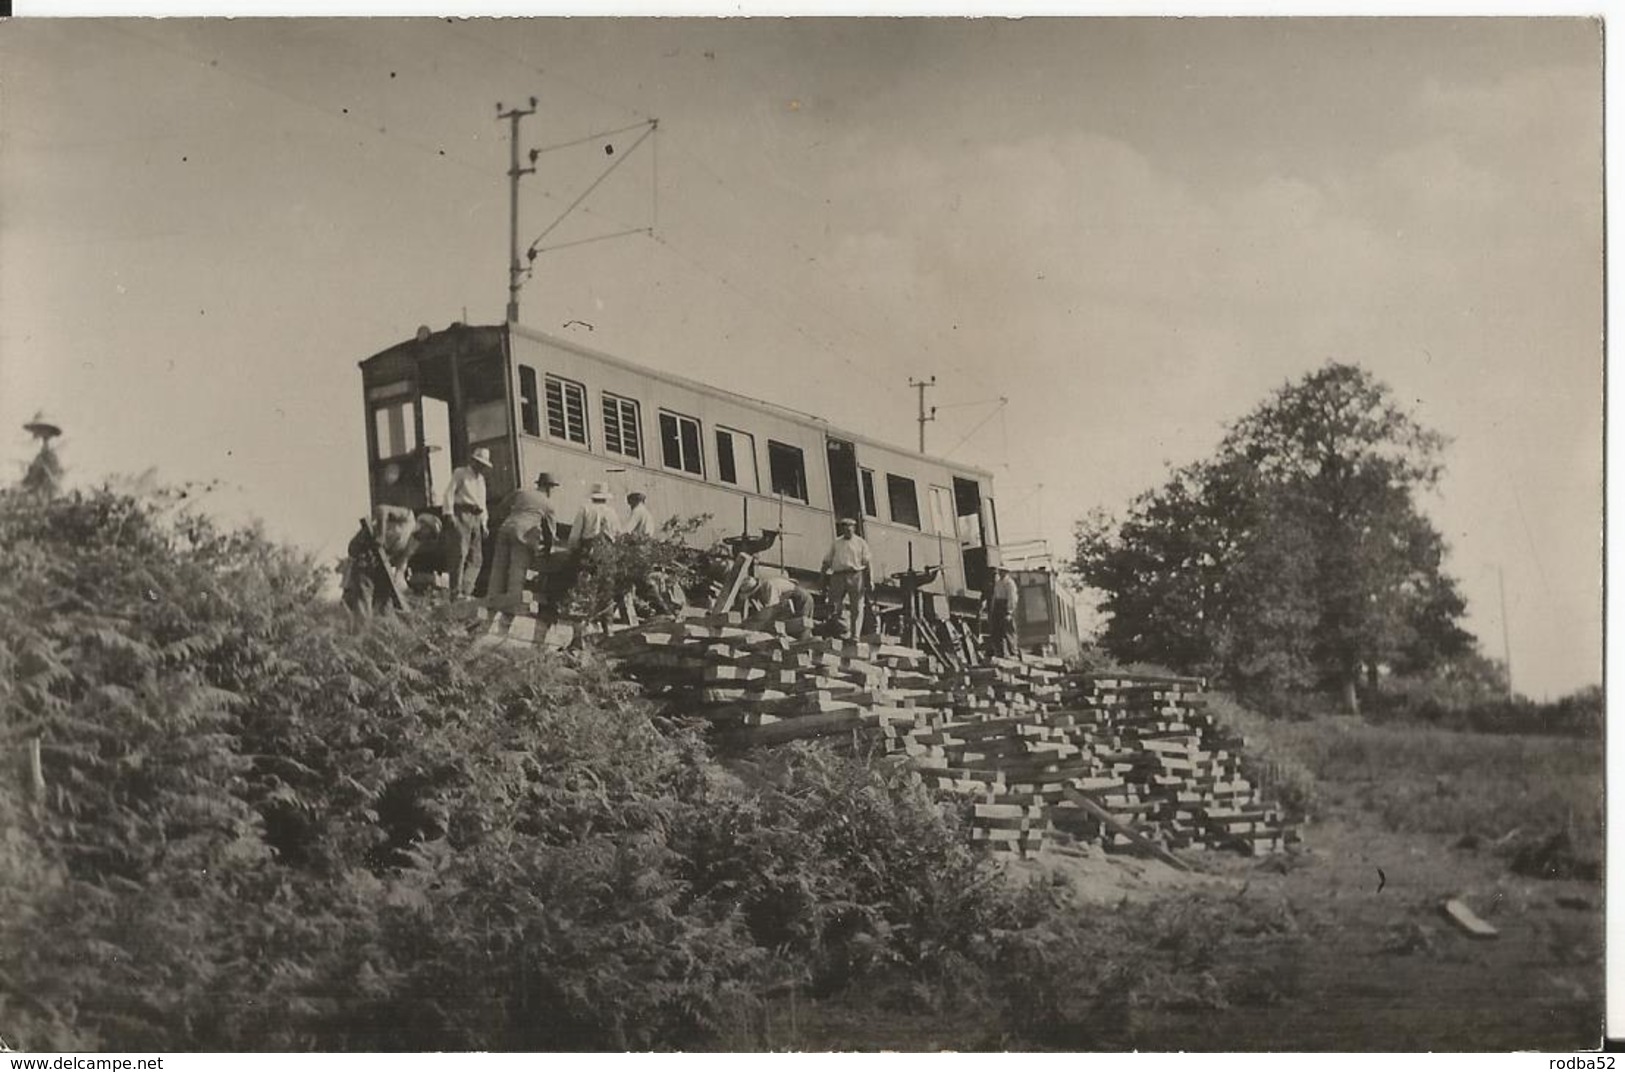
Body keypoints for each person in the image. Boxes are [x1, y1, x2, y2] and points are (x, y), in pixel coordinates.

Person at [343, 506, 440, 618]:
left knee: (386, 599)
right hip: (364, 548)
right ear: (424, 525)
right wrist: (381, 535)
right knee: (365, 592)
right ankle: (361, 631)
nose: (427, 539)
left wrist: (400, 585)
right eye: (429, 533)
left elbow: (401, 566)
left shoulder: (413, 544)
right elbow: (382, 509)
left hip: (378, 561)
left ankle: (383, 628)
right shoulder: (408, 517)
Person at [486, 471, 560, 612]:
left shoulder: (521, 492)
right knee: (517, 568)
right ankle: (512, 603)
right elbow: (550, 532)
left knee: (499, 566)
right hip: (523, 533)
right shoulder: (548, 504)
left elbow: (502, 507)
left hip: (506, 528)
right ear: (549, 488)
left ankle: (491, 598)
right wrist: (548, 549)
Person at [441, 446, 494, 601]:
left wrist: (484, 523)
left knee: (476, 558)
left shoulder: (481, 480)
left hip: (476, 518)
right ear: (473, 461)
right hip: (462, 514)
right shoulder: (461, 473)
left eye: (483, 464)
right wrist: (449, 514)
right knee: (459, 553)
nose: (481, 467)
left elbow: (482, 503)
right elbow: (449, 493)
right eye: (479, 463)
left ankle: (466, 590)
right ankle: (455, 592)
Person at [820, 518, 871, 639]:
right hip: (838, 575)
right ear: (842, 529)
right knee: (834, 604)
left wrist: (870, 580)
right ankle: (840, 632)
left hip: (856, 575)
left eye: (850, 527)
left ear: (854, 528)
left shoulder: (861, 543)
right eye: (845, 527)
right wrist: (822, 577)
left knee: (857, 606)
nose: (848, 529)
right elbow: (826, 561)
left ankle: (855, 635)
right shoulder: (836, 543)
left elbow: (868, 562)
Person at [739, 573, 815, 638]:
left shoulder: (768, 587)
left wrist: (756, 623)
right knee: (801, 625)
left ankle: (804, 648)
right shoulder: (764, 590)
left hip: (800, 598)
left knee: (802, 625)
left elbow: (772, 610)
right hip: (796, 598)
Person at [567, 482, 621, 551]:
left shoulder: (585, 509)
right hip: (606, 548)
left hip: (587, 547)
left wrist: (572, 547)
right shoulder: (611, 512)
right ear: (606, 498)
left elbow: (575, 533)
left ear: (592, 497)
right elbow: (618, 532)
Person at [987, 565, 1020, 657]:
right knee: (997, 631)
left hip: (1005, 608)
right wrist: (992, 609)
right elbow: (994, 597)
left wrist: (1009, 612)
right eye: (1000, 571)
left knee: (1008, 631)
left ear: (1007, 572)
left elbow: (1012, 598)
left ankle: (1013, 652)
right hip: (997, 608)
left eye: (1003, 571)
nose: (1001, 573)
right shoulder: (998, 583)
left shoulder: (1009, 583)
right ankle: (1000, 653)